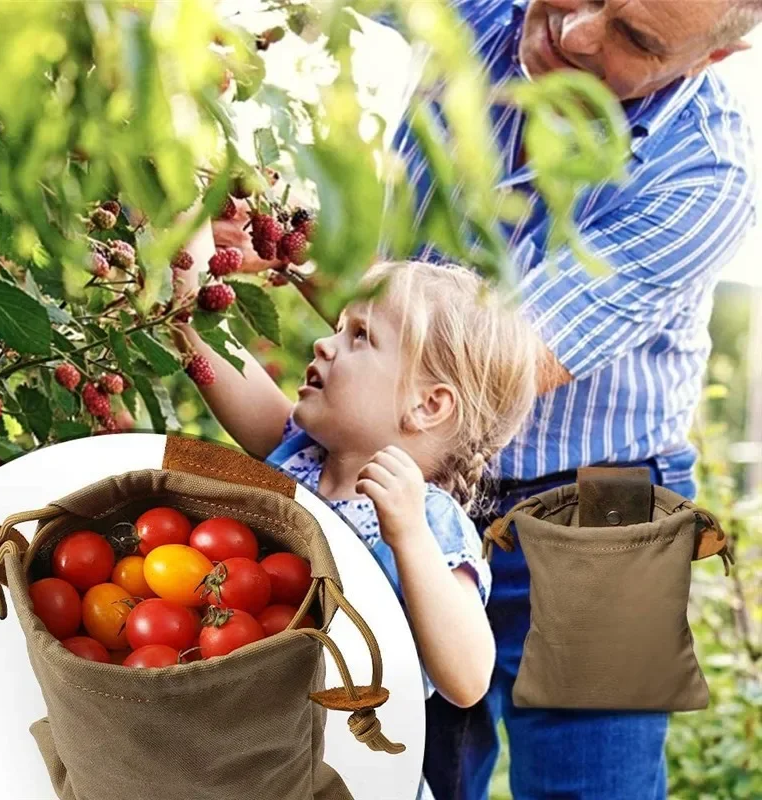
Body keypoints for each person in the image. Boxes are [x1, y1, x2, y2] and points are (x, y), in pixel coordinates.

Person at [207, 2, 758, 797]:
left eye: (636, 38)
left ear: (711, 58)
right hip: (411, 461)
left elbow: (483, 373)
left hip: (602, 494)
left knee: (591, 776)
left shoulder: (705, 170)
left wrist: (283, 247)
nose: (575, 33)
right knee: (406, 752)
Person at [173, 258, 542, 790]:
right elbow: (201, 339)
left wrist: (409, 536)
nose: (325, 344)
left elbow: (467, 678)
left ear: (428, 405)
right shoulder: (298, 455)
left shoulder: (427, 518)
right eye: (336, 327)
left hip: (354, 777)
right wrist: (193, 228)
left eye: (360, 336)